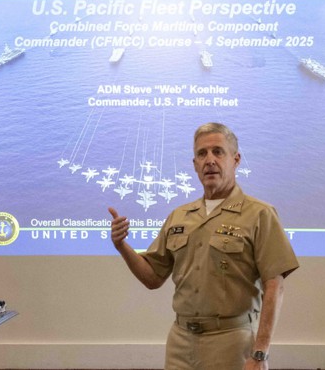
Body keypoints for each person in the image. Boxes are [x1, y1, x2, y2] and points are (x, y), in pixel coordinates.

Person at [109, 122, 299, 370]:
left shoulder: (260, 214)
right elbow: (153, 278)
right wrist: (122, 246)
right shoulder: (179, 216)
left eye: (218, 151)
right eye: (202, 154)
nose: (209, 160)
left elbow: (275, 286)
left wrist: (260, 353)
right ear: (195, 165)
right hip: (180, 342)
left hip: (231, 341)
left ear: (236, 159)